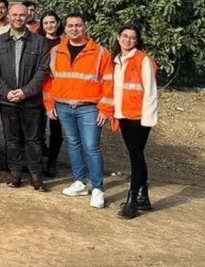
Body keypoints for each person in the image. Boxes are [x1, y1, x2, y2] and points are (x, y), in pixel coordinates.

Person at [44, 13, 114, 209]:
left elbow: (109, 82)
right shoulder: (56, 51)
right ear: (65, 28)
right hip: (63, 106)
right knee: (73, 144)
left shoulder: (100, 52)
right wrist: (49, 104)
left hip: (89, 108)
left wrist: (105, 109)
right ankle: (80, 182)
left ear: (85, 27)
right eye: (70, 25)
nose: (74, 29)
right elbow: (49, 80)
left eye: (78, 25)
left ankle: (98, 188)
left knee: (91, 147)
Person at [0, 4, 51, 192]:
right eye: (15, 15)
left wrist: (26, 91)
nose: (18, 18)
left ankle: (36, 175)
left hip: (31, 100)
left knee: (34, 140)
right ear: (9, 17)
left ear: (28, 17)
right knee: (12, 139)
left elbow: (43, 70)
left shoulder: (39, 42)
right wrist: (6, 92)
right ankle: (15, 173)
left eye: (22, 15)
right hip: (8, 100)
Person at [111, 25, 158, 219]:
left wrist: (148, 119)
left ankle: (132, 201)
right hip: (123, 115)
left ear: (137, 41)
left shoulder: (143, 60)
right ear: (118, 37)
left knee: (135, 157)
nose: (128, 40)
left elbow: (151, 92)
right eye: (125, 36)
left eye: (132, 37)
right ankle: (143, 196)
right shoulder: (117, 60)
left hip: (139, 118)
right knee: (136, 155)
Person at [40, 12, 65, 177]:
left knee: (56, 127)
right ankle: (36, 160)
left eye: (52, 22)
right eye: (46, 23)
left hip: (57, 90)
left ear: (58, 23)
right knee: (37, 126)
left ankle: (52, 161)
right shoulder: (37, 41)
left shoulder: (64, 43)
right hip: (38, 89)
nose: (49, 25)